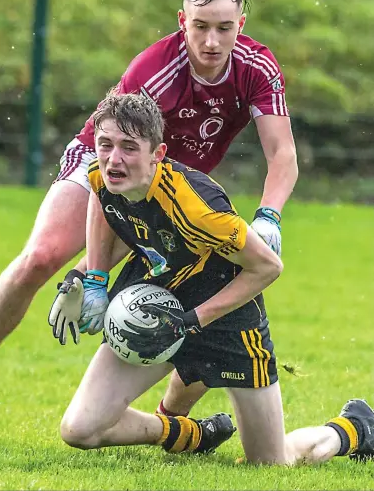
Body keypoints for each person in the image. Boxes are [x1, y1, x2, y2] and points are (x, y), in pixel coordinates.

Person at [0, 0, 298, 424]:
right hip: (104, 163)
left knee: (208, 278)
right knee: (42, 256)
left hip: (169, 187)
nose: (211, 42)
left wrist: (269, 216)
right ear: (182, 22)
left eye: (223, 28)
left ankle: (176, 423)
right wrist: (94, 276)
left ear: (241, 24)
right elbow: (108, 178)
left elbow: (282, 154)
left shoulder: (256, 67)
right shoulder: (155, 71)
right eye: (200, 27)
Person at [56, 92, 373, 464]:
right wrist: (87, 279)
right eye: (105, 145)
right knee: (79, 430)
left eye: (129, 147)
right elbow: (101, 200)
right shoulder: (102, 174)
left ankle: (354, 428)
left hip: (226, 319)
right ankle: (193, 434)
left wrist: (192, 321)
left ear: (157, 154)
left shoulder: (198, 206)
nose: (114, 158)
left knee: (271, 462)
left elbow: (268, 266)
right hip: (154, 307)